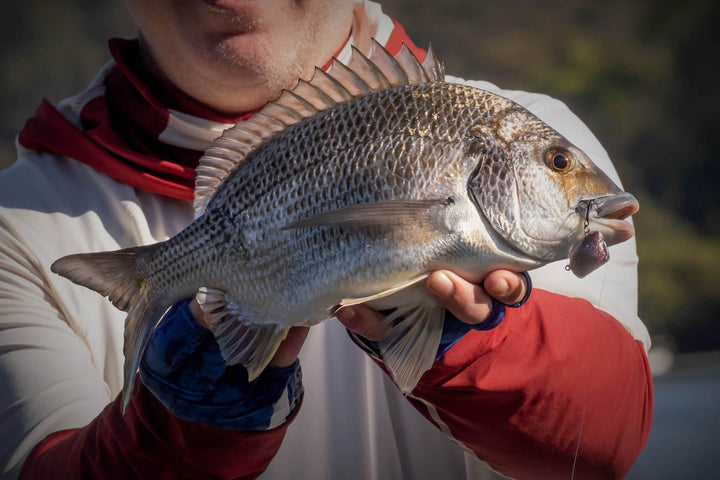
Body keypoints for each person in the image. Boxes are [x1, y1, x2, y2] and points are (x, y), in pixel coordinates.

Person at [0, 0, 652, 479]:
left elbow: (600, 447)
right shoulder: (15, 222)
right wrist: (182, 429)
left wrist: (484, 345)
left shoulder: (536, 132)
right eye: (557, 167)